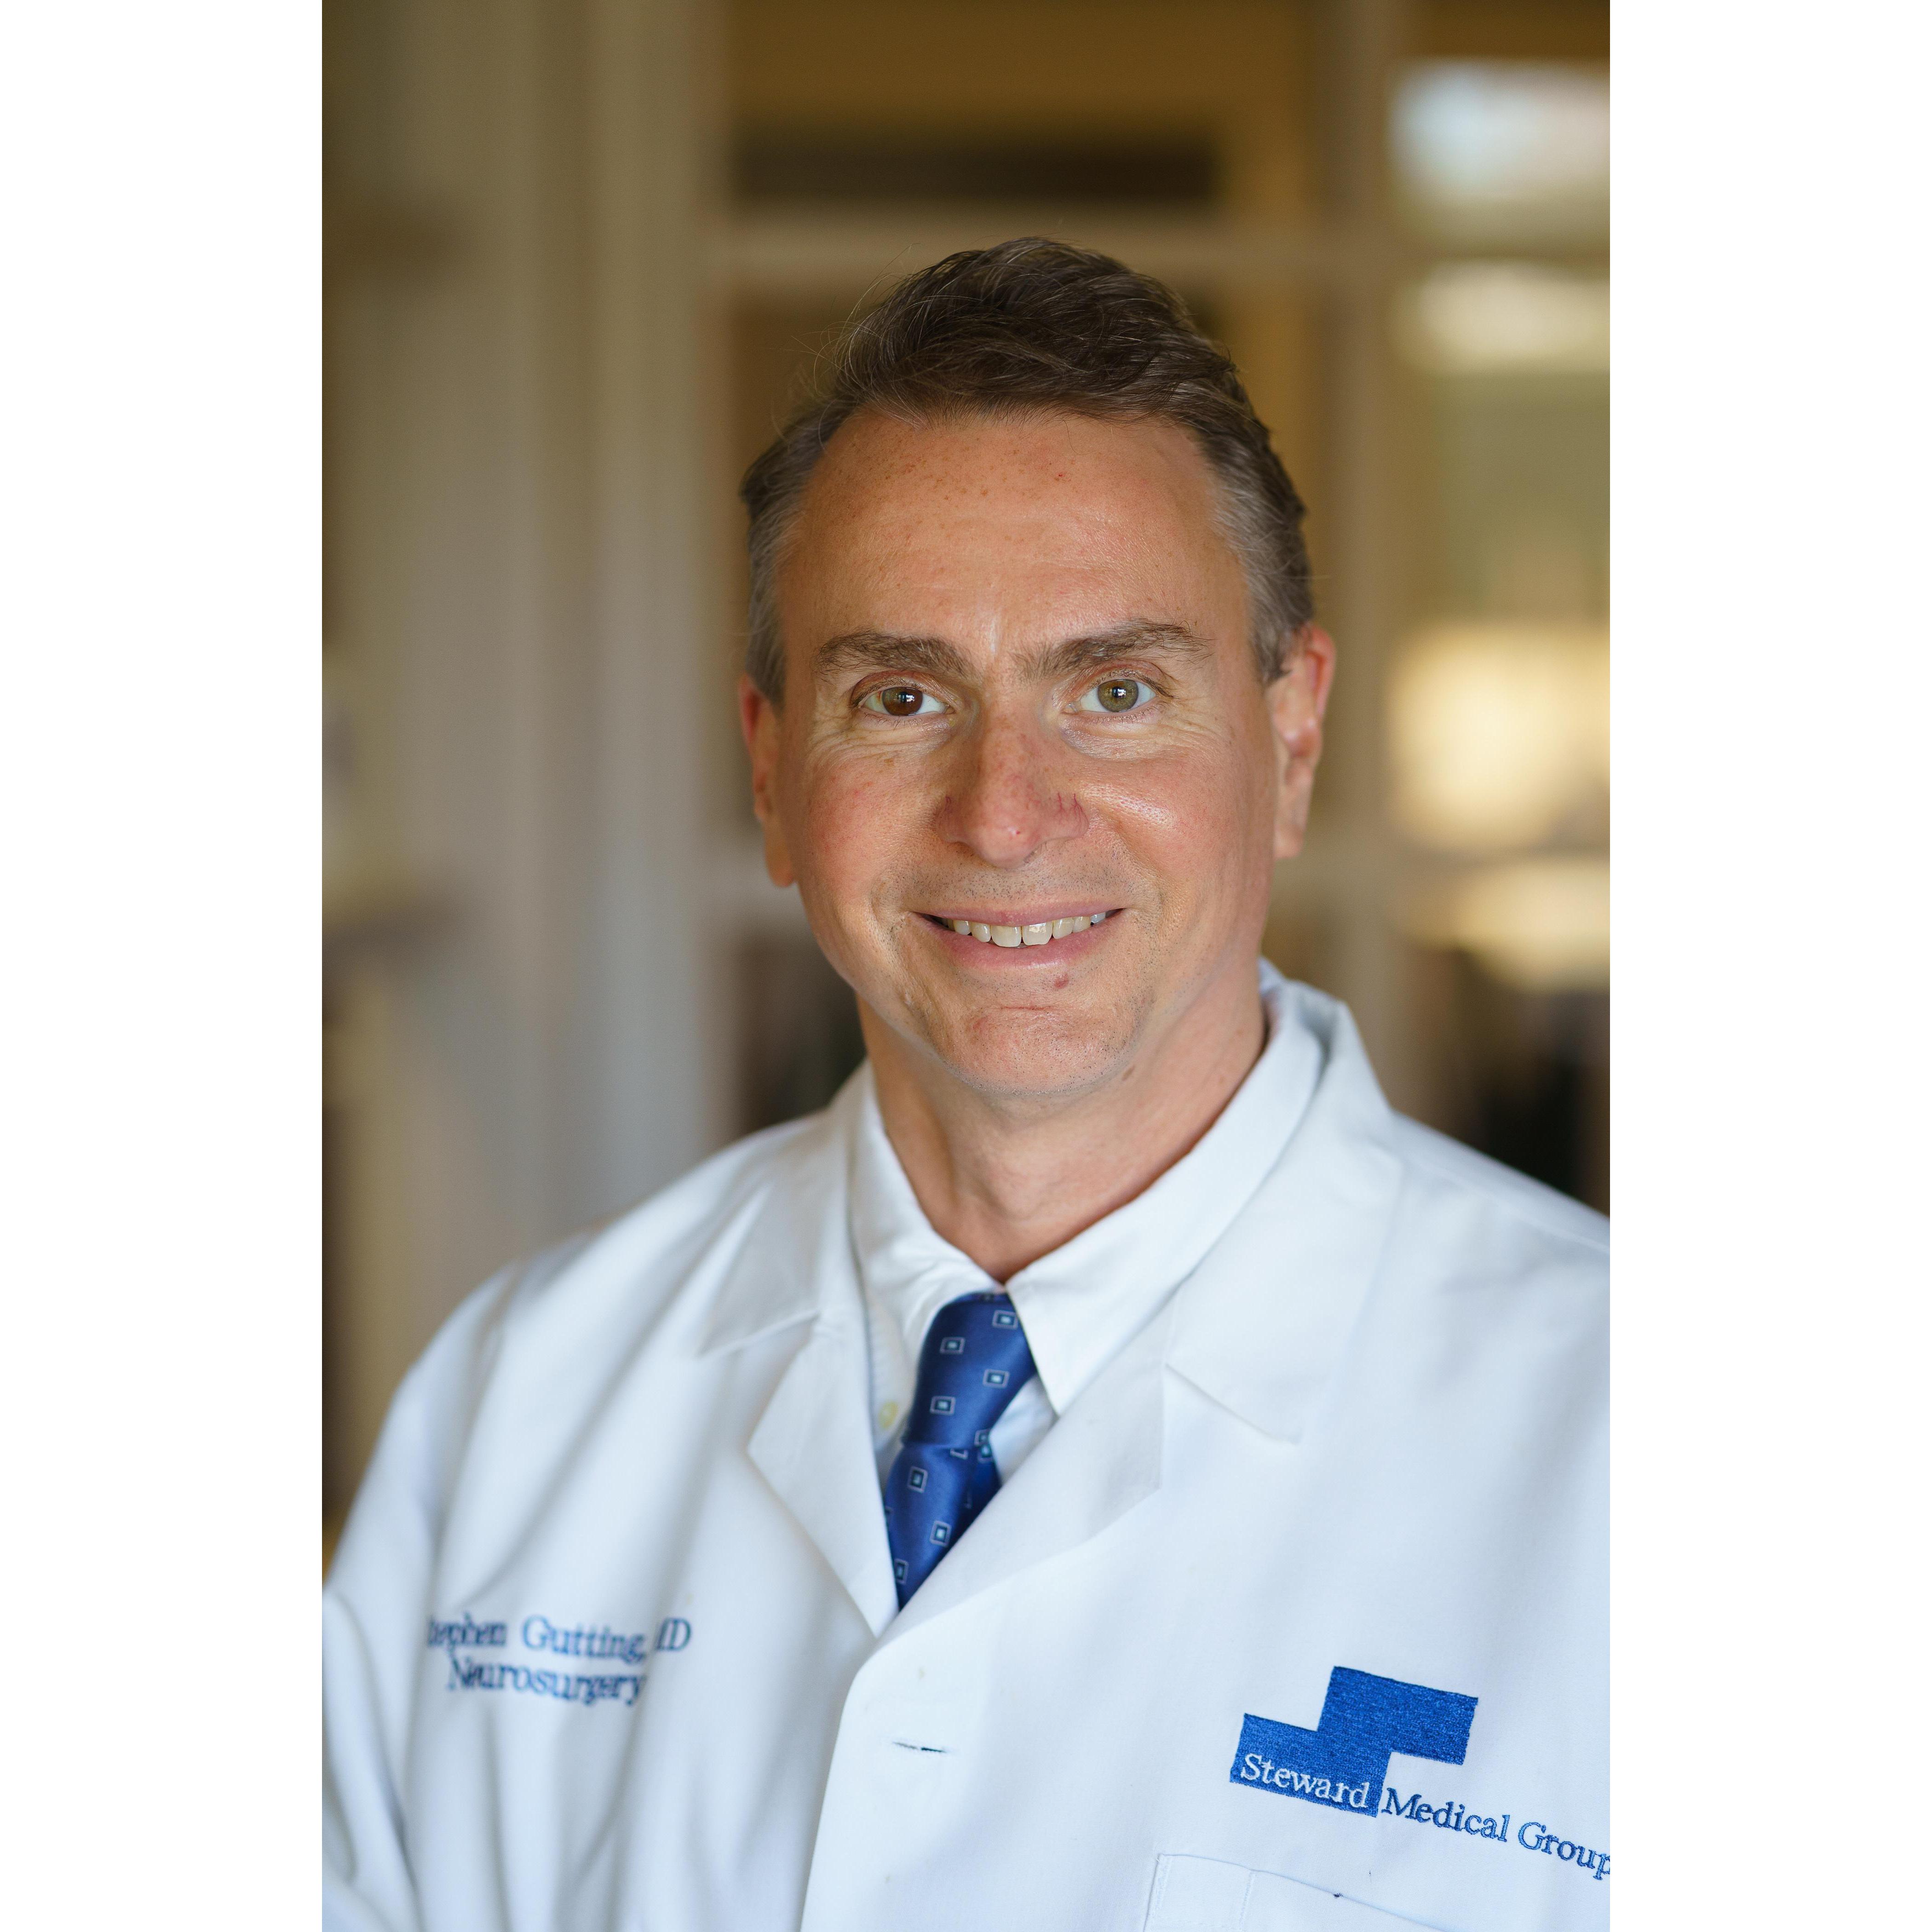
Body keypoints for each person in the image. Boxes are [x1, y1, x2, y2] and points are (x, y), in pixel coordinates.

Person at [323, 239, 1607, 1932]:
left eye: (1119, 692)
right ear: (772, 771)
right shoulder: (523, 1397)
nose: (1003, 813)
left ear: (1292, 740)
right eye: (903, 696)